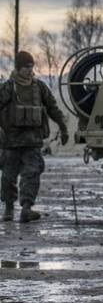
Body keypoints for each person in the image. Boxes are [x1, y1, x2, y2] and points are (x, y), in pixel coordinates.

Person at [0, 51, 69, 222]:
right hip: (11, 141)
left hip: (32, 141)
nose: (29, 70)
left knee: (32, 174)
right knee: (8, 177)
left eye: (31, 67)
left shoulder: (39, 87)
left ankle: (26, 208)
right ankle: (8, 208)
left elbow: (53, 108)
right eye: (26, 67)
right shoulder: (8, 88)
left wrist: (63, 127)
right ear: (18, 68)